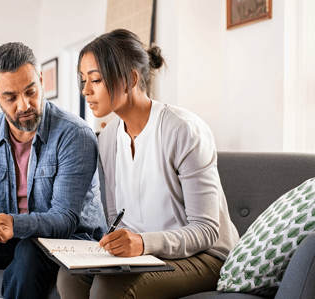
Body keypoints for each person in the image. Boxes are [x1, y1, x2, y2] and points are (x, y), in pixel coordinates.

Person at [57, 29, 240, 298]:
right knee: (69, 278)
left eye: (95, 79)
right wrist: (116, 245)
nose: (86, 90)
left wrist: (143, 243)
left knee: (108, 289)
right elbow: (115, 218)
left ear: (130, 78)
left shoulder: (183, 130)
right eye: (83, 80)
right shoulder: (107, 138)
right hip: (145, 254)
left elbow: (206, 231)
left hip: (205, 257)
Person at [0, 42, 107, 299]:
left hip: (72, 241)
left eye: (31, 92)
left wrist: (14, 224)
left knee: (28, 250)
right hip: (12, 235)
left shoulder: (74, 134)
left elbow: (65, 219)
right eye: (10, 97)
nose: (24, 105)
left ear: (41, 81)